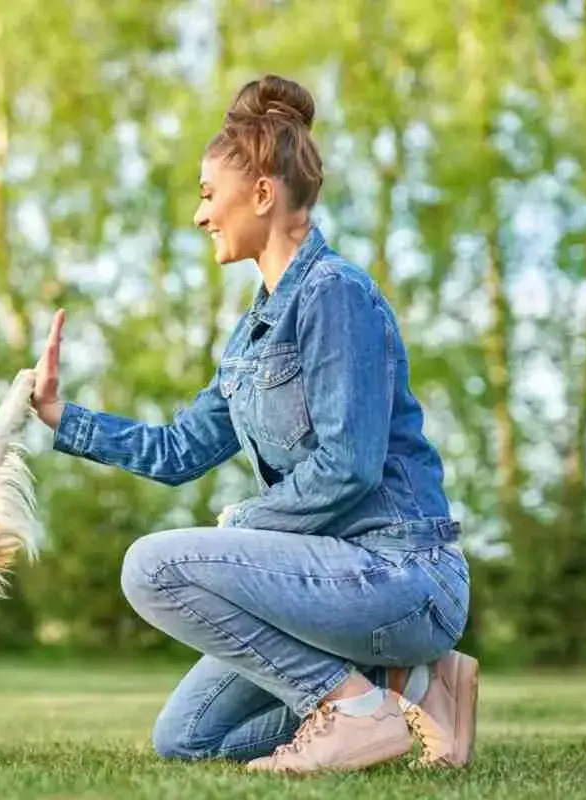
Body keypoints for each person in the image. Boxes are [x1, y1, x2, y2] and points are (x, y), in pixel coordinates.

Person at [28, 74, 477, 776]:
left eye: (209, 194)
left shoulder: (336, 294)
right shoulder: (251, 336)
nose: (201, 215)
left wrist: (245, 521)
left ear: (263, 194)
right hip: (332, 588)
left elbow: (350, 466)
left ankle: (354, 712)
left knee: (153, 566)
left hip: (401, 573)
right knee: (188, 737)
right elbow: (179, 450)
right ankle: (415, 686)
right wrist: (63, 417)